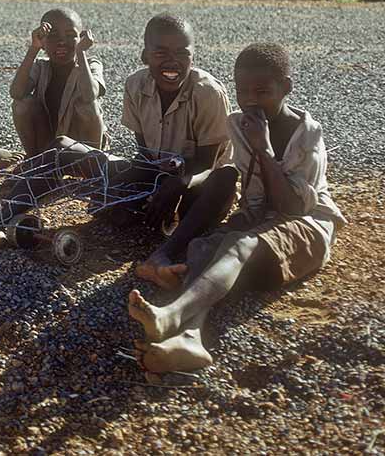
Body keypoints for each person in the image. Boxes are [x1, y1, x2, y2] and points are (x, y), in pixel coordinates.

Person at [0, 14, 237, 275]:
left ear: (193, 56)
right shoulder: (136, 84)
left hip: (197, 184)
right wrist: (121, 185)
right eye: (161, 53)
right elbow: (143, 156)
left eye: (182, 53)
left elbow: (208, 165)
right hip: (156, 174)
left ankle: (164, 253)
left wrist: (177, 184)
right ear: (144, 56)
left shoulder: (207, 92)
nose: (173, 61)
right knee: (63, 146)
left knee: (225, 179)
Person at [128, 43, 346, 373]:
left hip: (306, 226)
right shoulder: (238, 124)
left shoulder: (307, 135)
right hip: (260, 221)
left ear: (286, 87)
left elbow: (291, 207)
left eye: (262, 91)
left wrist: (264, 148)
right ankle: (191, 338)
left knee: (238, 244)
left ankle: (172, 314)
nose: (251, 100)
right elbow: (253, 201)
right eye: (243, 91)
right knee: (203, 247)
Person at [9, 7, 106, 156]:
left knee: (87, 106)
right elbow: (16, 93)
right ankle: (34, 162)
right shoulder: (41, 67)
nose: (61, 42)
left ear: (81, 38)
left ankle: (94, 166)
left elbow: (89, 96)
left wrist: (81, 53)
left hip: (80, 147)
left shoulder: (91, 65)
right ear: (43, 41)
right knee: (22, 104)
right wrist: (34, 48)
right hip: (47, 141)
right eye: (53, 35)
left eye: (70, 35)